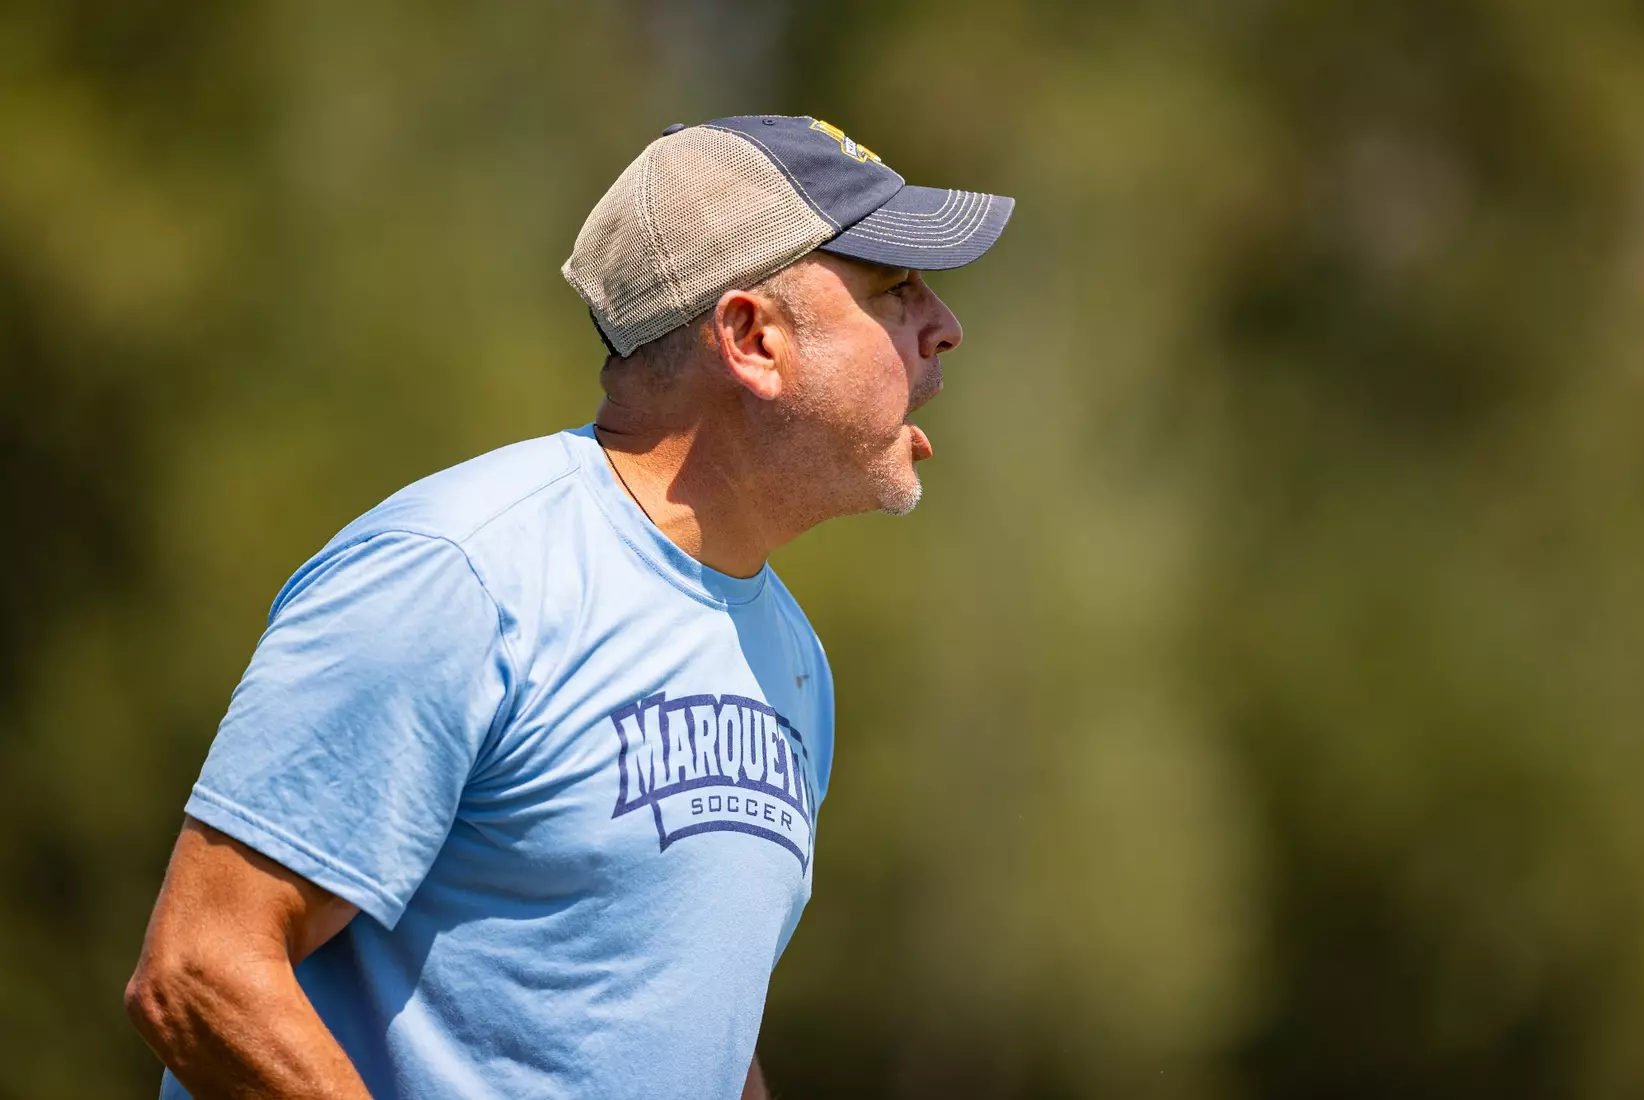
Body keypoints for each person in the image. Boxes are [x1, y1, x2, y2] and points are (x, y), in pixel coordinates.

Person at [124, 114, 1014, 1100]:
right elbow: (200, 971)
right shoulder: (457, 573)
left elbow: (689, 1029)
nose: (946, 325)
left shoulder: (794, 662)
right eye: (895, 289)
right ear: (753, 339)